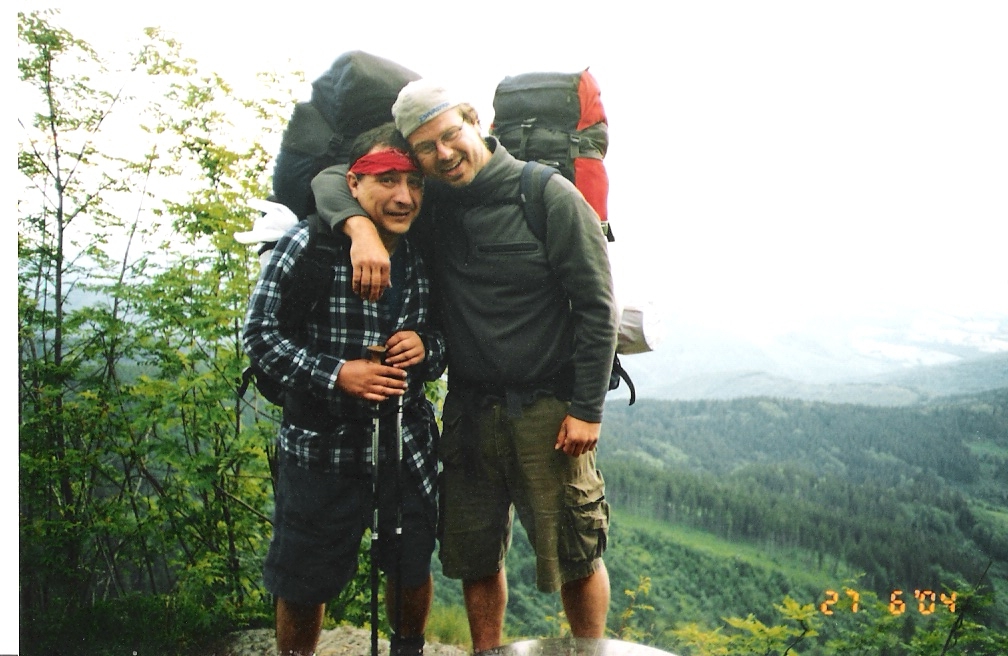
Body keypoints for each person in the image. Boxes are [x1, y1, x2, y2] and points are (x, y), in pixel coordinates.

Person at [312, 79, 619, 652]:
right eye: (426, 148)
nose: (444, 154)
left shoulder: (546, 194)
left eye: (450, 134)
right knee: (476, 555)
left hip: (550, 411)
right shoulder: (436, 202)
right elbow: (330, 179)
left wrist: (587, 410)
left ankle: (589, 650)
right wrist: (358, 229)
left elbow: (598, 305)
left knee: (575, 554)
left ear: (475, 121)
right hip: (469, 409)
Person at [243, 123, 446, 656]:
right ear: (352, 184)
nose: (404, 196)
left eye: (414, 183)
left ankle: (408, 650)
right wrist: (337, 373)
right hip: (321, 445)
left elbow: (444, 340)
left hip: (405, 445)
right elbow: (260, 337)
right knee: (303, 576)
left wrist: (425, 347)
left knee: (410, 563)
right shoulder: (307, 244)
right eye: (387, 180)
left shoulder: (420, 255)